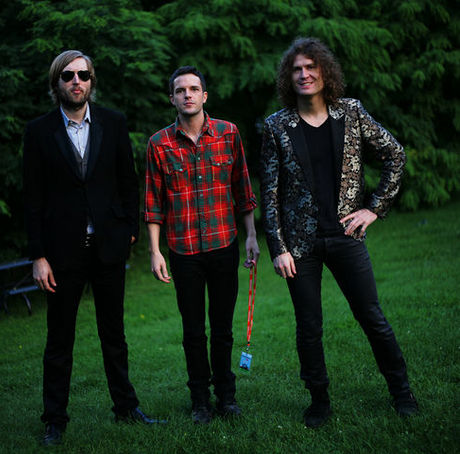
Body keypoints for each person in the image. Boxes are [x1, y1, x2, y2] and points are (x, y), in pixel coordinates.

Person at [259, 37, 418, 428]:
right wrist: (278, 248)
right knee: (309, 327)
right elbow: (270, 193)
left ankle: (402, 393)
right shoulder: (277, 126)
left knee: (372, 316)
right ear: (288, 77)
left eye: (311, 66)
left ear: (324, 71)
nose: (304, 74)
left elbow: (395, 154)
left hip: (347, 235)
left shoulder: (352, 112)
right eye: (297, 69)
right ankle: (319, 401)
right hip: (300, 245)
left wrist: (374, 208)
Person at [23, 50, 163, 446]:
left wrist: (129, 229)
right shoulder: (39, 131)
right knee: (59, 340)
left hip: (107, 248)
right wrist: (38, 256)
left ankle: (126, 408)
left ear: (92, 81)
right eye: (68, 75)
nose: (76, 81)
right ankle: (54, 420)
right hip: (61, 253)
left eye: (83, 75)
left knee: (114, 335)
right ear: (57, 83)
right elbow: (32, 198)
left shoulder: (113, 122)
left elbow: (128, 181)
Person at [144, 66, 260, 424]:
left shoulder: (228, 133)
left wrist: (251, 235)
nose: (188, 95)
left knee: (222, 329)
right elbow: (153, 202)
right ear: (172, 99)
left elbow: (242, 189)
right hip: (183, 251)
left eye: (194, 89)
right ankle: (199, 401)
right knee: (193, 331)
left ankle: (226, 396)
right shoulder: (159, 144)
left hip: (224, 244)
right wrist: (155, 251)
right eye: (181, 90)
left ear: (204, 95)